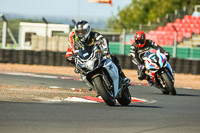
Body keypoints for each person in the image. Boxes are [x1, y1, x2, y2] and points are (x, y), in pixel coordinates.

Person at [65, 20, 130, 84]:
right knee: (83, 75)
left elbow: (103, 40)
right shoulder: (77, 43)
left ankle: (122, 76)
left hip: (98, 56)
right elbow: (77, 54)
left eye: (83, 31)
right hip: (87, 61)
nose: (81, 34)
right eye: (78, 32)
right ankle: (96, 89)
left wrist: (105, 51)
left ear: (88, 30)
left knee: (113, 58)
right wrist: (76, 63)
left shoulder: (94, 35)